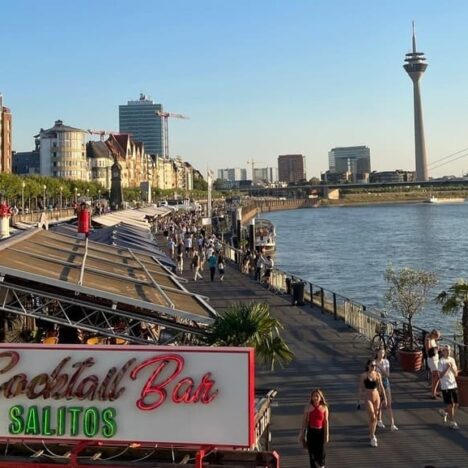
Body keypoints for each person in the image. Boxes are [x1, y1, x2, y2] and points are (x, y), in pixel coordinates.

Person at [358, 359, 387, 447]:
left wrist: (384, 397)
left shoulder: (378, 374)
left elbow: (381, 386)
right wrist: (359, 400)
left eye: (375, 366)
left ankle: (372, 433)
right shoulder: (363, 376)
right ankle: (373, 436)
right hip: (368, 396)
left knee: (375, 417)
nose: (374, 367)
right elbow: (361, 388)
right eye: (372, 365)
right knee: (372, 415)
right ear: (368, 366)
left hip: (376, 396)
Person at [299, 389, 329, 468]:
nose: (315, 398)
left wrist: (327, 434)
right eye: (313, 396)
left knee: (321, 453)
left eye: (317, 396)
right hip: (311, 432)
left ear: (320, 398)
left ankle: (321, 466)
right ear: (311, 397)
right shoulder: (308, 407)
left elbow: (326, 422)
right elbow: (304, 421)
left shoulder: (324, 408)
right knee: (312, 454)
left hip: (320, 432)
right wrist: (302, 434)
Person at [375, 348, 398, 431]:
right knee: (379, 404)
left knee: (389, 403)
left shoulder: (386, 362)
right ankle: (379, 420)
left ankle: (392, 423)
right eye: (380, 352)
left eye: (383, 352)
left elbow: (387, 375)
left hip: (385, 381)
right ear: (377, 353)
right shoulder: (373, 362)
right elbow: (374, 375)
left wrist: (380, 368)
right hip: (377, 383)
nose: (382, 354)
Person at [438, 345, 459, 429]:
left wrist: (452, 368)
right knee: (450, 404)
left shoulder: (452, 360)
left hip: (453, 384)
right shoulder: (441, 361)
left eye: (449, 350)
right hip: (446, 386)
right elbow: (440, 376)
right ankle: (453, 422)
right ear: (442, 352)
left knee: (456, 404)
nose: (448, 351)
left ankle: (444, 411)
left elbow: (456, 373)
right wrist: (447, 368)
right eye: (446, 350)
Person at [425, 329, 441, 399]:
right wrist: (436, 348)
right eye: (437, 336)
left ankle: (434, 391)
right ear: (433, 335)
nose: (437, 338)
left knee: (435, 376)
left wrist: (437, 349)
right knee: (437, 376)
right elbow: (428, 350)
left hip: (436, 358)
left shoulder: (433, 339)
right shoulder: (428, 339)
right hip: (432, 359)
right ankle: (433, 393)